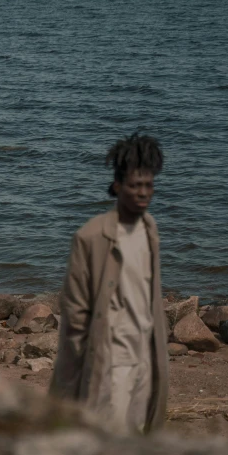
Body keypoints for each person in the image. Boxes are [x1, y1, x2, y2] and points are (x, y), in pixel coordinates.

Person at [50, 133, 168, 435]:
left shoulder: (150, 230)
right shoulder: (90, 237)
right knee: (108, 438)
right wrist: (79, 369)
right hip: (111, 356)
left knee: (139, 433)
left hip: (146, 353)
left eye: (148, 185)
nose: (142, 193)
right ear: (117, 187)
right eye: (134, 186)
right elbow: (75, 311)